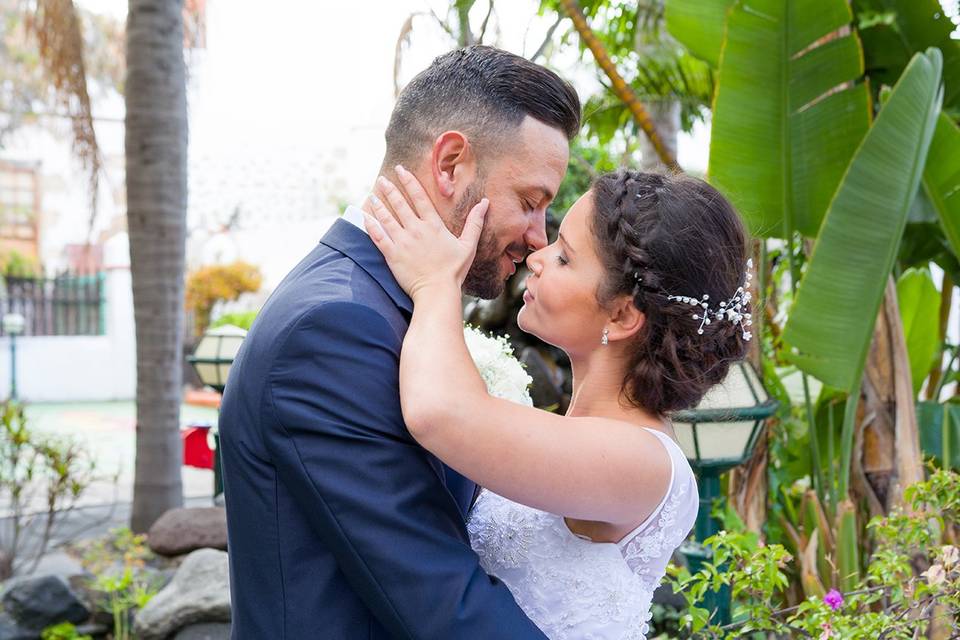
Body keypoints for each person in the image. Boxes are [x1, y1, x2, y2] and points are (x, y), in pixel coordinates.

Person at [217, 45, 580, 639]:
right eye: (531, 202)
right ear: (451, 165)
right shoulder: (335, 329)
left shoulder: (389, 305)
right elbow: (440, 601)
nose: (538, 237)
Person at [363, 166, 752, 638]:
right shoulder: (580, 433)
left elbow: (438, 413)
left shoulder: (642, 460)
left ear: (623, 313)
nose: (537, 256)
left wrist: (435, 284)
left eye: (565, 257)